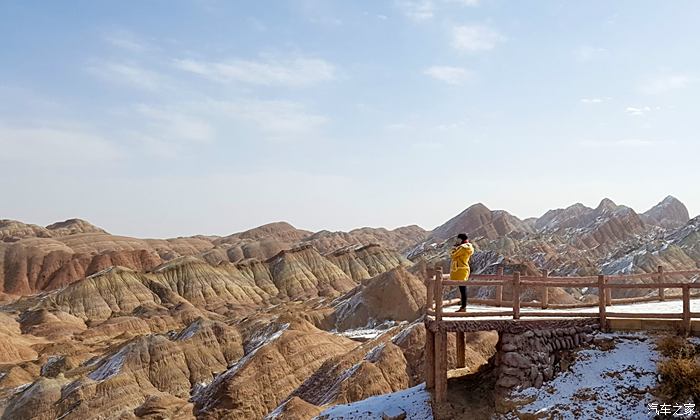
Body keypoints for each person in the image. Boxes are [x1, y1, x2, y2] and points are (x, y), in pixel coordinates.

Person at [450, 233, 475, 312]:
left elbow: (453, 255)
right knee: (462, 289)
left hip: (461, 270)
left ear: (461, 239)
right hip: (462, 269)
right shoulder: (465, 247)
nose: (457, 241)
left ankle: (463, 307)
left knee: (463, 289)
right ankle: (463, 306)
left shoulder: (463, 248)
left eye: (458, 239)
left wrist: (454, 248)